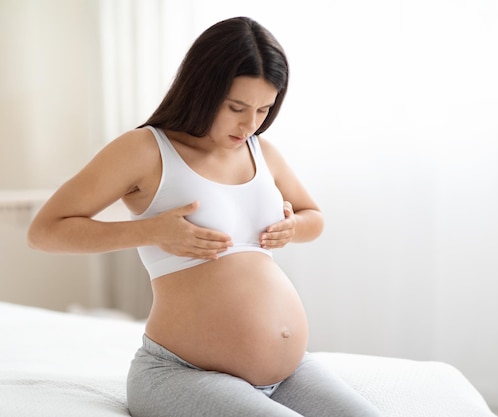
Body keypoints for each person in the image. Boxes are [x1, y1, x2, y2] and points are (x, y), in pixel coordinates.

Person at [28, 16, 382, 417]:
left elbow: (313, 217)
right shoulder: (145, 149)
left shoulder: (261, 152)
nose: (250, 124)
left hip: (289, 373)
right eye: (236, 107)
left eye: (264, 109)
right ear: (203, 89)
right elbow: (44, 232)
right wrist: (151, 232)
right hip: (182, 373)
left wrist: (292, 227)